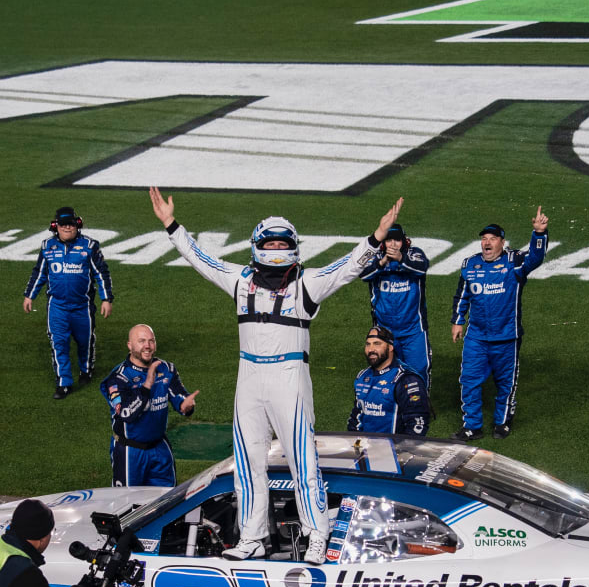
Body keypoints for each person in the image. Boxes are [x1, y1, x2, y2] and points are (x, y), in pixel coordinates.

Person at [149, 186, 403, 564]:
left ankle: (317, 533)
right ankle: (251, 537)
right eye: (270, 243)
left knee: (303, 461)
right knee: (247, 460)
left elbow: (348, 268)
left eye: (279, 243)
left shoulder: (305, 283)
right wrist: (171, 225)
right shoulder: (240, 280)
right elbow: (201, 260)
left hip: (288, 376)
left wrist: (377, 237)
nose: (274, 249)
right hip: (249, 375)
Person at [450, 207, 549, 441]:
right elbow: (462, 294)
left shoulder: (515, 262)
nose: (487, 243)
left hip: (507, 337)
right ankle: (472, 426)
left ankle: (502, 423)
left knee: (506, 384)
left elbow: (536, 258)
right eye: (484, 239)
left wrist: (539, 234)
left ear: (502, 243)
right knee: (468, 381)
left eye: (492, 239)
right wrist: (457, 321)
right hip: (476, 337)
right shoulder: (470, 264)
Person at [23, 206, 114, 399]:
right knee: (59, 343)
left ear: (77, 225)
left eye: (70, 224)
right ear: (55, 226)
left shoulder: (90, 246)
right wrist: (30, 295)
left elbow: (101, 273)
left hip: (83, 306)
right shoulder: (47, 246)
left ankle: (86, 369)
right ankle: (63, 383)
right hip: (57, 307)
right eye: (63, 224)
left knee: (85, 341)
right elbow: (39, 273)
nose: (67, 228)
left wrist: (106, 298)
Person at [99, 324, 199, 487]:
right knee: (128, 505)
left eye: (151, 341)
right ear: (130, 346)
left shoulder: (166, 369)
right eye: (142, 341)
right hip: (130, 452)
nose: (147, 345)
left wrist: (185, 406)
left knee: (167, 500)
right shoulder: (119, 377)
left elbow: (179, 398)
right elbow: (126, 414)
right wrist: (147, 386)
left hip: (160, 448)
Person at [360, 224, 432, 386]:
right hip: (384, 333)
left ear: (404, 241)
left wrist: (400, 259)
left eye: (397, 240)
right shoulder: (375, 257)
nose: (393, 244)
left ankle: (418, 409)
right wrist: (383, 261)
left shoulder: (415, 254)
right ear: (383, 242)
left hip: (413, 330)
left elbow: (422, 268)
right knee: (384, 373)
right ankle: (390, 409)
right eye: (389, 240)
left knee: (418, 372)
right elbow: (363, 274)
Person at [347, 325, 431, 436]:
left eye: (377, 344)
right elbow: (356, 416)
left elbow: (418, 424)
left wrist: (402, 450)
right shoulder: (362, 377)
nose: (371, 349)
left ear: (390, 347)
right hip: (365, 448)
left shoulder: (407, 380)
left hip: (394, 450)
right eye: (368, 344)